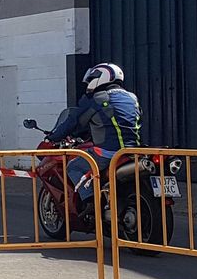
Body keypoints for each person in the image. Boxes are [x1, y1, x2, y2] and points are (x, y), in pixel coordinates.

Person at [49, 62, 142, 198]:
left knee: (74, 167)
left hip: (109, 153)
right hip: (133, 151)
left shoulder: (97, 98)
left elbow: (75, 121)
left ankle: (91, 206)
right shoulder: (132, 97)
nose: (89, 83)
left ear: (101, 77)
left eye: (91, 79)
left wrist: (54, 137)